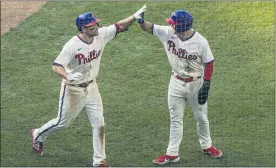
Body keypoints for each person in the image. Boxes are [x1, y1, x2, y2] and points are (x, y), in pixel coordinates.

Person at [29, 5, 147, 167]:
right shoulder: (72, 45)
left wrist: (134, 17)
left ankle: (99, 161)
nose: (96, 27)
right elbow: (56, 66)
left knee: (99, 124)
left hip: (92, 88)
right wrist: (68, 75)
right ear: (83, 29)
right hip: (73, 90)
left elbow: (119, 26)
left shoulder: (100, 35)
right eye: (92, 26)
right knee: (62, 123)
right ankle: (37, 135)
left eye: (96, 24)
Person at [137, 10, 222, 165]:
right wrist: (141, 21)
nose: (171, 25)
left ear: (183, 25)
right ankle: (172, 153)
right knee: (175, 119)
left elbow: (209, 62)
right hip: (176, 82)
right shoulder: (168, 33)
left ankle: (207, 145)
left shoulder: (200, 41)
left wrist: (207, 84)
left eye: (174, 23)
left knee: (201, 117)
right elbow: (149, 27)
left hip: (196, 83)